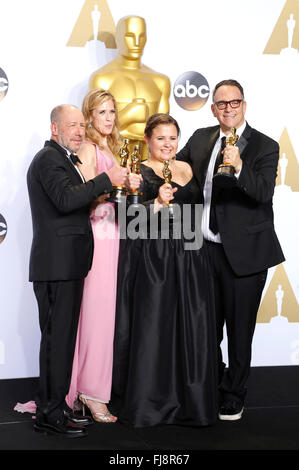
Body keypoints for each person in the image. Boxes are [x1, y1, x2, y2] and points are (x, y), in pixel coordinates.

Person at [177, 79, 285, 421]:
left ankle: (234, 393)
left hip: (246, 254)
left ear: (244, 104)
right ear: (213, 108)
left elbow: (263, 192)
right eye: (221, 104)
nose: (228, 108)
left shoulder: (265, 146)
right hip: (205, 249)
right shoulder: (199, 138)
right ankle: (212, 383)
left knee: (239, 330)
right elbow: (178, 173)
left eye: (234, 102)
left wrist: (239, 165)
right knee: (206, 327)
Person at [27, 104, 129, 437]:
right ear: (54, 128)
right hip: (56, 265)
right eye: (71, 126)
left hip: (67, 264)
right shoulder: (48, 160)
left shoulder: (64, 160)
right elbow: (65, 200)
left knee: (62, 342)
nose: (79, 131)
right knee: (57, 343)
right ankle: (49, 414)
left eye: (81, 126)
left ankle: (55, 408)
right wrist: (105, 179)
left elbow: (77, 199)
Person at [112, 113, 218, 427]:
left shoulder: (188, 167)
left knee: (192, 325)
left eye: (172, 137)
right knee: (154, 326)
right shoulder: (137, 171)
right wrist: (156, 203)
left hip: (191, 253)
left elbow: (199, 209)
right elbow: (127, 223)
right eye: (160, 138)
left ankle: (192, 404)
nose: (167, 144)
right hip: (155, 255)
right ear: (147, 140)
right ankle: (151, 404)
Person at [65, 89, 141, 423]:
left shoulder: (115, 147)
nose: (108, 118)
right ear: (89, 116)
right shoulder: (88, 148)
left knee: (106, 313)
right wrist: (113, 189)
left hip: (115, 234)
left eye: (112, 112)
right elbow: (84, 194)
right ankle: (91, 393)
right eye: (101, 112)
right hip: (97, 234)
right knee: (95, 314)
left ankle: (89, 389)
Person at [89, 15, 170, 159]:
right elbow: (95, 128)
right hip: (112, 163)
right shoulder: (102, 79)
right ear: (118, 39)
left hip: (150, 166)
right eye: (130, 36)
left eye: (142, 36)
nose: (137, 43)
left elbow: (164, 132)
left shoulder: (160, 81)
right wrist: (130, 114)